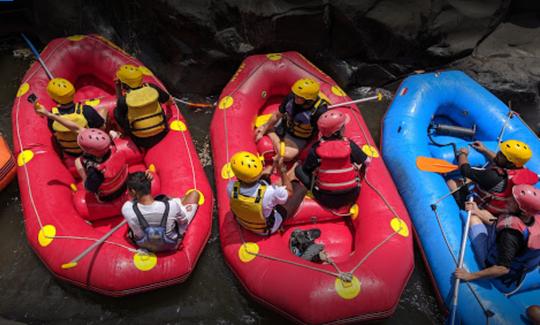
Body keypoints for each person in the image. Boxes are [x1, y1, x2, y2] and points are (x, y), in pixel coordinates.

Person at [35, 105, 129, 202]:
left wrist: (86, 181)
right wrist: (49, 114)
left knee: (78, 161)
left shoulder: (95, 172)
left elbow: (89, 189)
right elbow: (75, 128)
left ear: (89, 151)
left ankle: (85, 181)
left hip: (109, 195)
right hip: (124, 184)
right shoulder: (112, 146)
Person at [454, 184, 540, 288]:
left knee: (472, 218)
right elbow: (500, 222)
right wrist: (478, 211)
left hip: (493, 264)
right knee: (483, 212)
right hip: (515, 253)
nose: (508, 199)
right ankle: (478, 212)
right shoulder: (529, 219)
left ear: (523, 212)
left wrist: (470, 276)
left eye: (513, 201)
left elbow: (502, 269)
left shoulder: (509, 235)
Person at [295, 110, 368, 210]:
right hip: (352, 195)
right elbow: (367, 161)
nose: (345, 128)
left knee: (298, 170)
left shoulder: (316, 148)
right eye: (343, 126)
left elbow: (306, 170)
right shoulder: (349, 144)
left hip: (325, 198)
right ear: (337, 131)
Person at [227, 151, 307, 235]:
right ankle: (293, 173)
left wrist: (264, 174)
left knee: (267, 182)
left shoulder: (230, 187)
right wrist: (282, 169)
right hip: (267, 228)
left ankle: (289, 173)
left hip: (243, 222)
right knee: (299, 187)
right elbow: (289, 192)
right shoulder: (269, 192)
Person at [447, 140, 538, 214]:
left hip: (483, 209)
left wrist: (463, 154)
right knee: (471, 180)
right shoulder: (521, 169)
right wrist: (484, 150)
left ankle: (458, 209)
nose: (498, 153)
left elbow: (465, 170)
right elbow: (499, 160)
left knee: (452, 183)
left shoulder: (494, 176)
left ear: (510, 163)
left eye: (502, 154)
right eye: (500, 152)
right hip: (504, 207)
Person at [122, 172, 200, 252]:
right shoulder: (171, 206)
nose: (127, 192)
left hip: (144, 245)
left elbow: (134, 201)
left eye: (128, 190)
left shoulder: (126, 209)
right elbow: (183, 222)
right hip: (170, 245)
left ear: (133, 191)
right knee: (194, 194)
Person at [255, 78, 328, 162]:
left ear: (309, 100)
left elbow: (320, 132)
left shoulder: (319, 111)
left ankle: (271, 133)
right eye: (296, 94)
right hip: (284, 124)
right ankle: (272, 134)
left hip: (299, 136)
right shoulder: (291, 97)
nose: (296, 97)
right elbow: (277, 115)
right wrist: (263, 130)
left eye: (299, 97)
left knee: (286, 156)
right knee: (258, 131)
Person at [37, 78, 105, 156]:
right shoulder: (86, 110)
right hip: (89, 149)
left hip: (69, 152)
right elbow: (101, 128)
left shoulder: (52, 115)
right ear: (73, 93)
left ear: (54, 99)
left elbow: (54, 133)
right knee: (103, 110)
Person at [114, 64, 172, 149]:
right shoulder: (152, 88)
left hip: (141, 141)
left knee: (116, 112)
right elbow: (169, 101)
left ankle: (123, 135)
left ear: (124, 85)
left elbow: (120, 110)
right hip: (162, 133)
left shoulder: (124, 100)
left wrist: (118, 88)